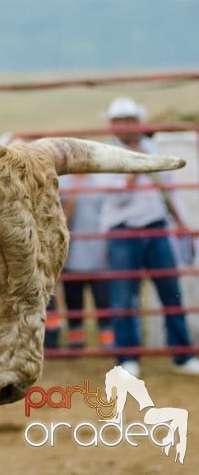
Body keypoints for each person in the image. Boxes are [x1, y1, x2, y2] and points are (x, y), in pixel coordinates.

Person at [99, 96, 199, 377]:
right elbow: (112, 195)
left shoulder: (152, 149)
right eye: (120, 121)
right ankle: (127, 357)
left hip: (156, 227)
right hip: (123, 229)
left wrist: (181, 223)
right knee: (124, 296)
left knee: (170, 291)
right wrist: (133, 172)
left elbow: (169, 192)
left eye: (130, 120)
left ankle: (182, 355)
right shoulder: (107, 155)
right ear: (112, 125)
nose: (126, 126)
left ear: (138, 123)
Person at [59, 172, 114, 350]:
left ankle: (108, 341)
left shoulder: (101, 181)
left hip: (100, 254)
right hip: (72, 256)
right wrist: (71, 200)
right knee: (73, 301)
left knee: (104, 301)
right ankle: (76, 340)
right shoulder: (62, 183)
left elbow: (109, 216)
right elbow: (59, 221)